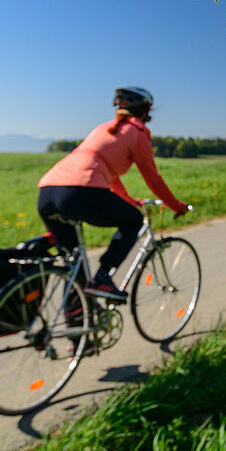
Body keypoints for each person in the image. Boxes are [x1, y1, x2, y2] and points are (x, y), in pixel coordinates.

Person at [37, 86, 189, 301]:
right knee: (133, 220)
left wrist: (128, 200)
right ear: (145, 112)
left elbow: (111, 178)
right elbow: (153, 179)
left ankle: (77, 327)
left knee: (75, 268)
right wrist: (176, 206)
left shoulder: (104, 129)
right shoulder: (136, 134)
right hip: (80, 191)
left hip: (47, 192)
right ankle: (103, 276)